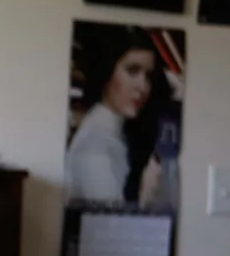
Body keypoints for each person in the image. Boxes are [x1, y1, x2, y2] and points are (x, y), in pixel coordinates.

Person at [63, 26, 173, 207]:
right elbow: (112, 221)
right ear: (106, 72)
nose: (143, 86)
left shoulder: (115, 133)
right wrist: (146, 196)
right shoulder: (95, 148)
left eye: (148, 76)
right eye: (132, 71)